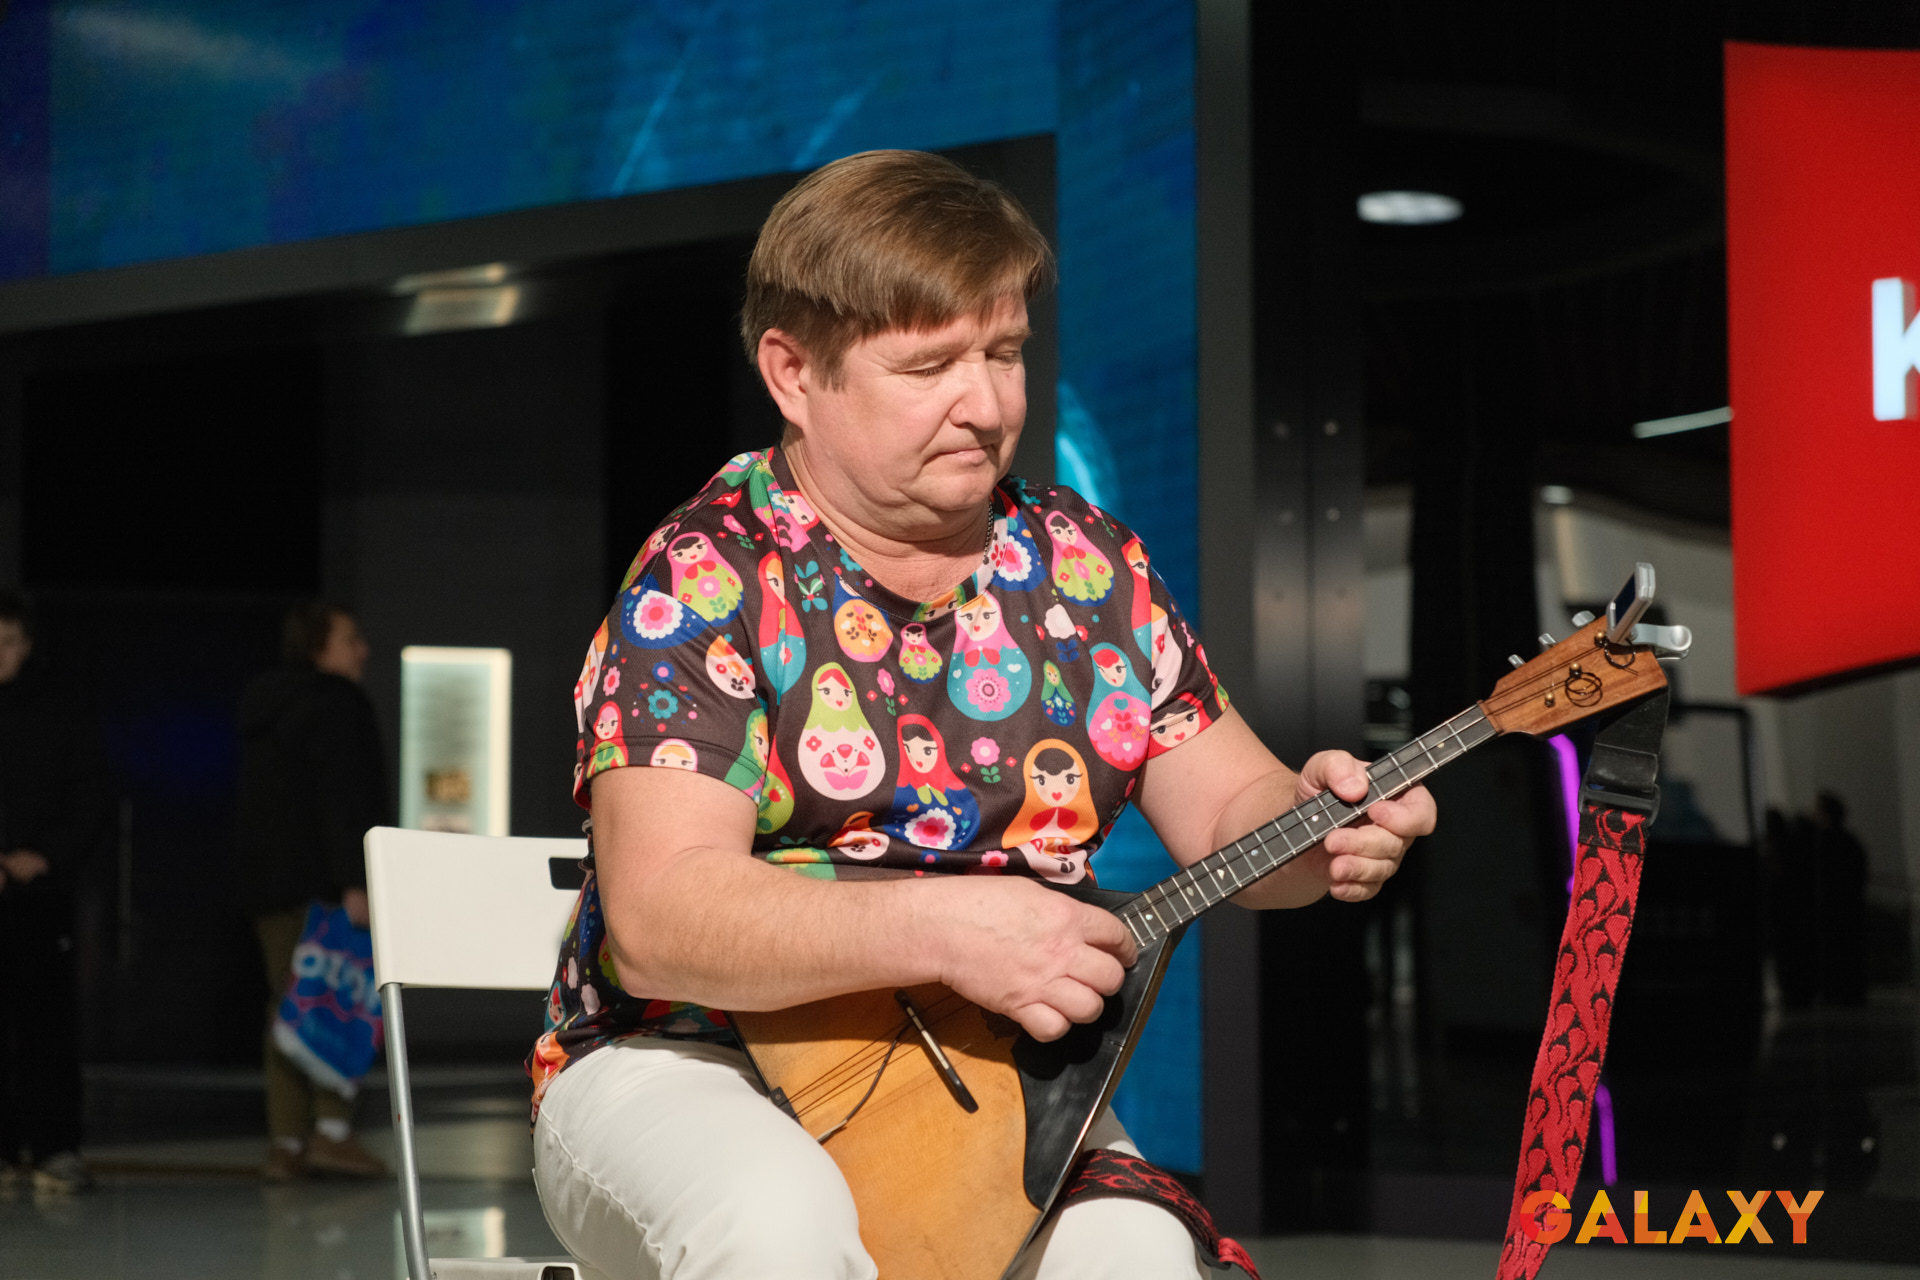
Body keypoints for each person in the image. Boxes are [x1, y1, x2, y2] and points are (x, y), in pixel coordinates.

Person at [528, 150, 1437, 1279]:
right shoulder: (707, 574)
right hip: (684, 1055)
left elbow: (1234, 816)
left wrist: (1318, 823)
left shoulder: (1089, 564)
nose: (989, 404)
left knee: (1138, 1256)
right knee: (775, 1224)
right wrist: (947, 929)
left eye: (1005, 352)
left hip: (984, 1079)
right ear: (793, 372)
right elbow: (662, 917)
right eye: (929, 366)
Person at [232, 602, 390, 1181]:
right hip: (324, 887)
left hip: (268, 885)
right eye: (351, 639)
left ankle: (287, 1142)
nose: (362, 650)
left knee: (288, 1004)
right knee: (337, 998)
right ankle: (331, 1132)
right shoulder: (337, 705)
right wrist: (355, 880)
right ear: (319, 646)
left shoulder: (264, 709)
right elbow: (344, 797)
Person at [0, 591, 103, 1194]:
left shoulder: (60, 714)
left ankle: (55, 1147)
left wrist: (44, 856)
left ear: (28, 645)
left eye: (9, 642)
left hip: (41, 894)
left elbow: (91, 798)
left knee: (47, 1025)